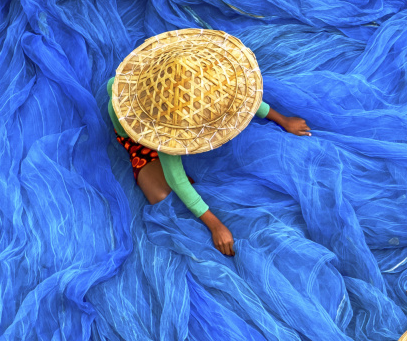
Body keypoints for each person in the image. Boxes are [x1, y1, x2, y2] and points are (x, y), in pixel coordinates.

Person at [106, 28, 310, 257]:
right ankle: (137, 153)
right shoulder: (162, 124)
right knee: (162, 198)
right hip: (140, 136)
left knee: (225, 112)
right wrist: (215, 225)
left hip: (157, 93)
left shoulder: (208, 76)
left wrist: (282, 120)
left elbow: (240, 100)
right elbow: (177, 180)